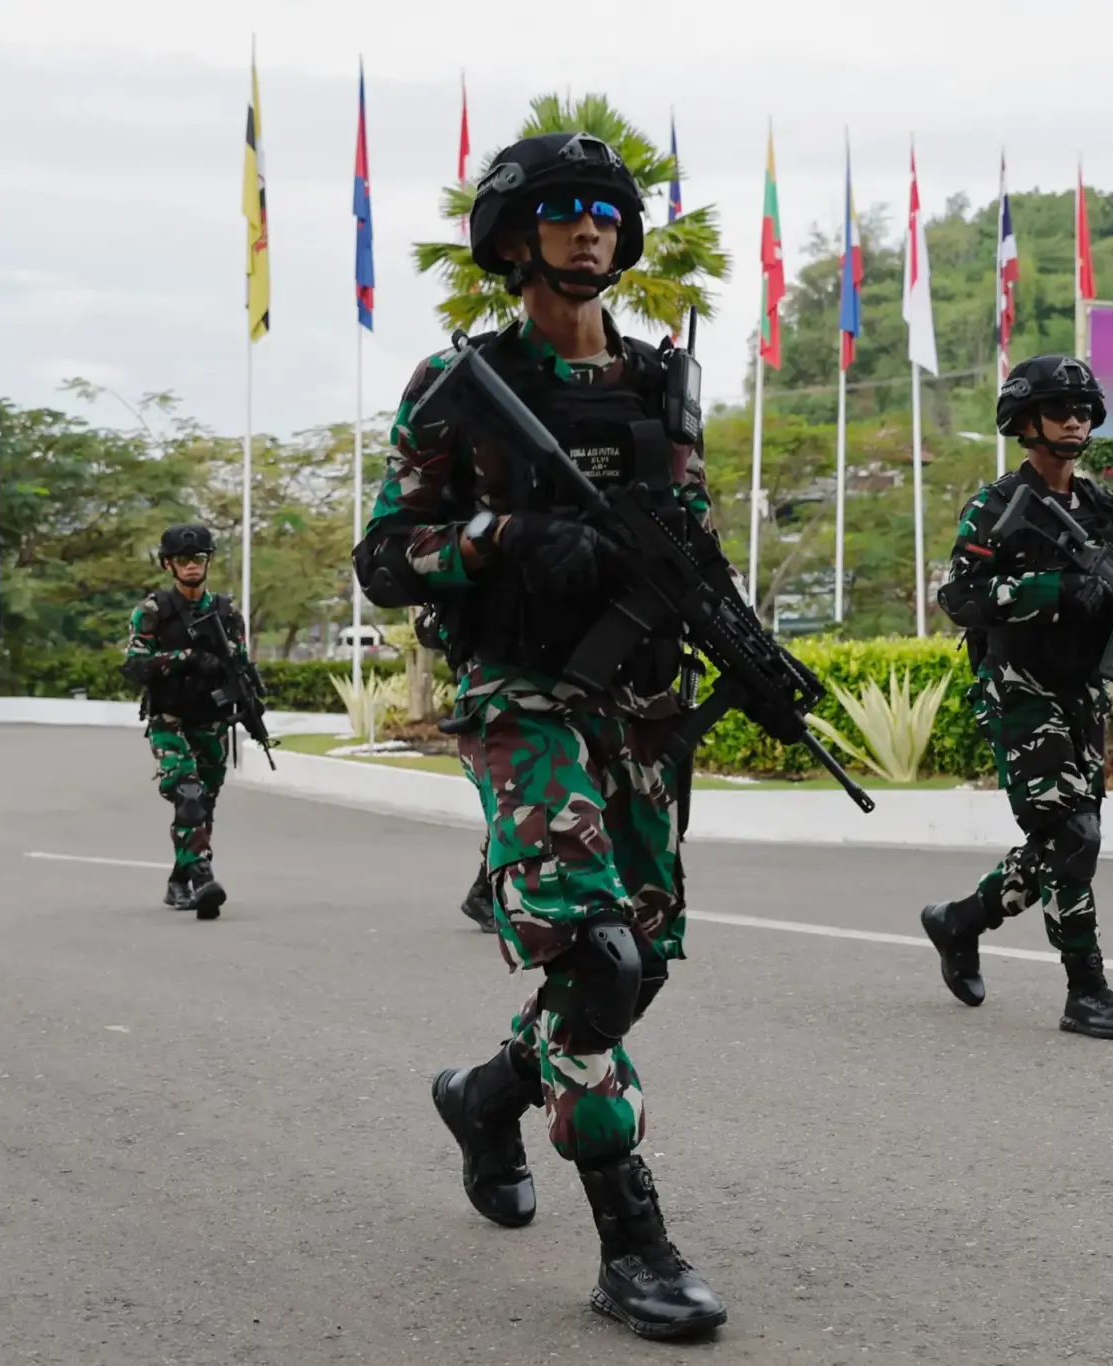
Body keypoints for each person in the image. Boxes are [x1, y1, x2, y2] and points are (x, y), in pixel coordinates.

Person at [354, 131, 727, 1341]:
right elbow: (382, 558)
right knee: (596, 958)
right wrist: (494, 542)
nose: (586, 230)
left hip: (640, 703)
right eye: (560, 212)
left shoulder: (666, 384)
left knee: (645, 958)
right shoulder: (453, 385)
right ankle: (635, 1246)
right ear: (514, 241)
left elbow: (693, 540)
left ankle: (485, 1092)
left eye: (604, 213)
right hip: (520, 696)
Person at [919, 354, 1113, 1040]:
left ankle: (959, 921)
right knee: (1069, 834)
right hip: (1020, 687)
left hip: (1082, 693)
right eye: (1059, 409)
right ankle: (1088, 990)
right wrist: (1050, 591)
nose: (1075, 420)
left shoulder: (1102, 505)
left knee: (1069, 840)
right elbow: (960, 597)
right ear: (1025, 421)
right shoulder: (996, 507)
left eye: (1083, 409)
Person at [121, 524, 256, 921]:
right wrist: (187, 658)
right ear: (168, 564)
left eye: (198, 559)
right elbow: (133, 664)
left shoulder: (228, 612)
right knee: (189, 792)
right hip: (170, 719)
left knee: (204, 805)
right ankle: (201, 878)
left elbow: (242, 664)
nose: (192, 566)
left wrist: (249, 702)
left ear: (208, 561)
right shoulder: (152, 611)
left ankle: (178, 881)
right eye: (183, 560)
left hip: (212, 721)